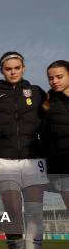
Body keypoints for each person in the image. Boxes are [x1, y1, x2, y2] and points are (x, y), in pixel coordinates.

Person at [0, 51, 47, 249]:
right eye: (8, 68)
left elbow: (51, 121)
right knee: (12, 210)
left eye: (17, 67)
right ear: (2, 70)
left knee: (34, 215)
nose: (13, 71)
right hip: (4, 160)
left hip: (34, 159)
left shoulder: (36, 92)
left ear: (23, 68)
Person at [45, 60, 69, 210]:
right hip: (62, 166)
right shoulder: (46, 102)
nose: (54, 81)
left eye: (59, 77)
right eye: (51, 78)